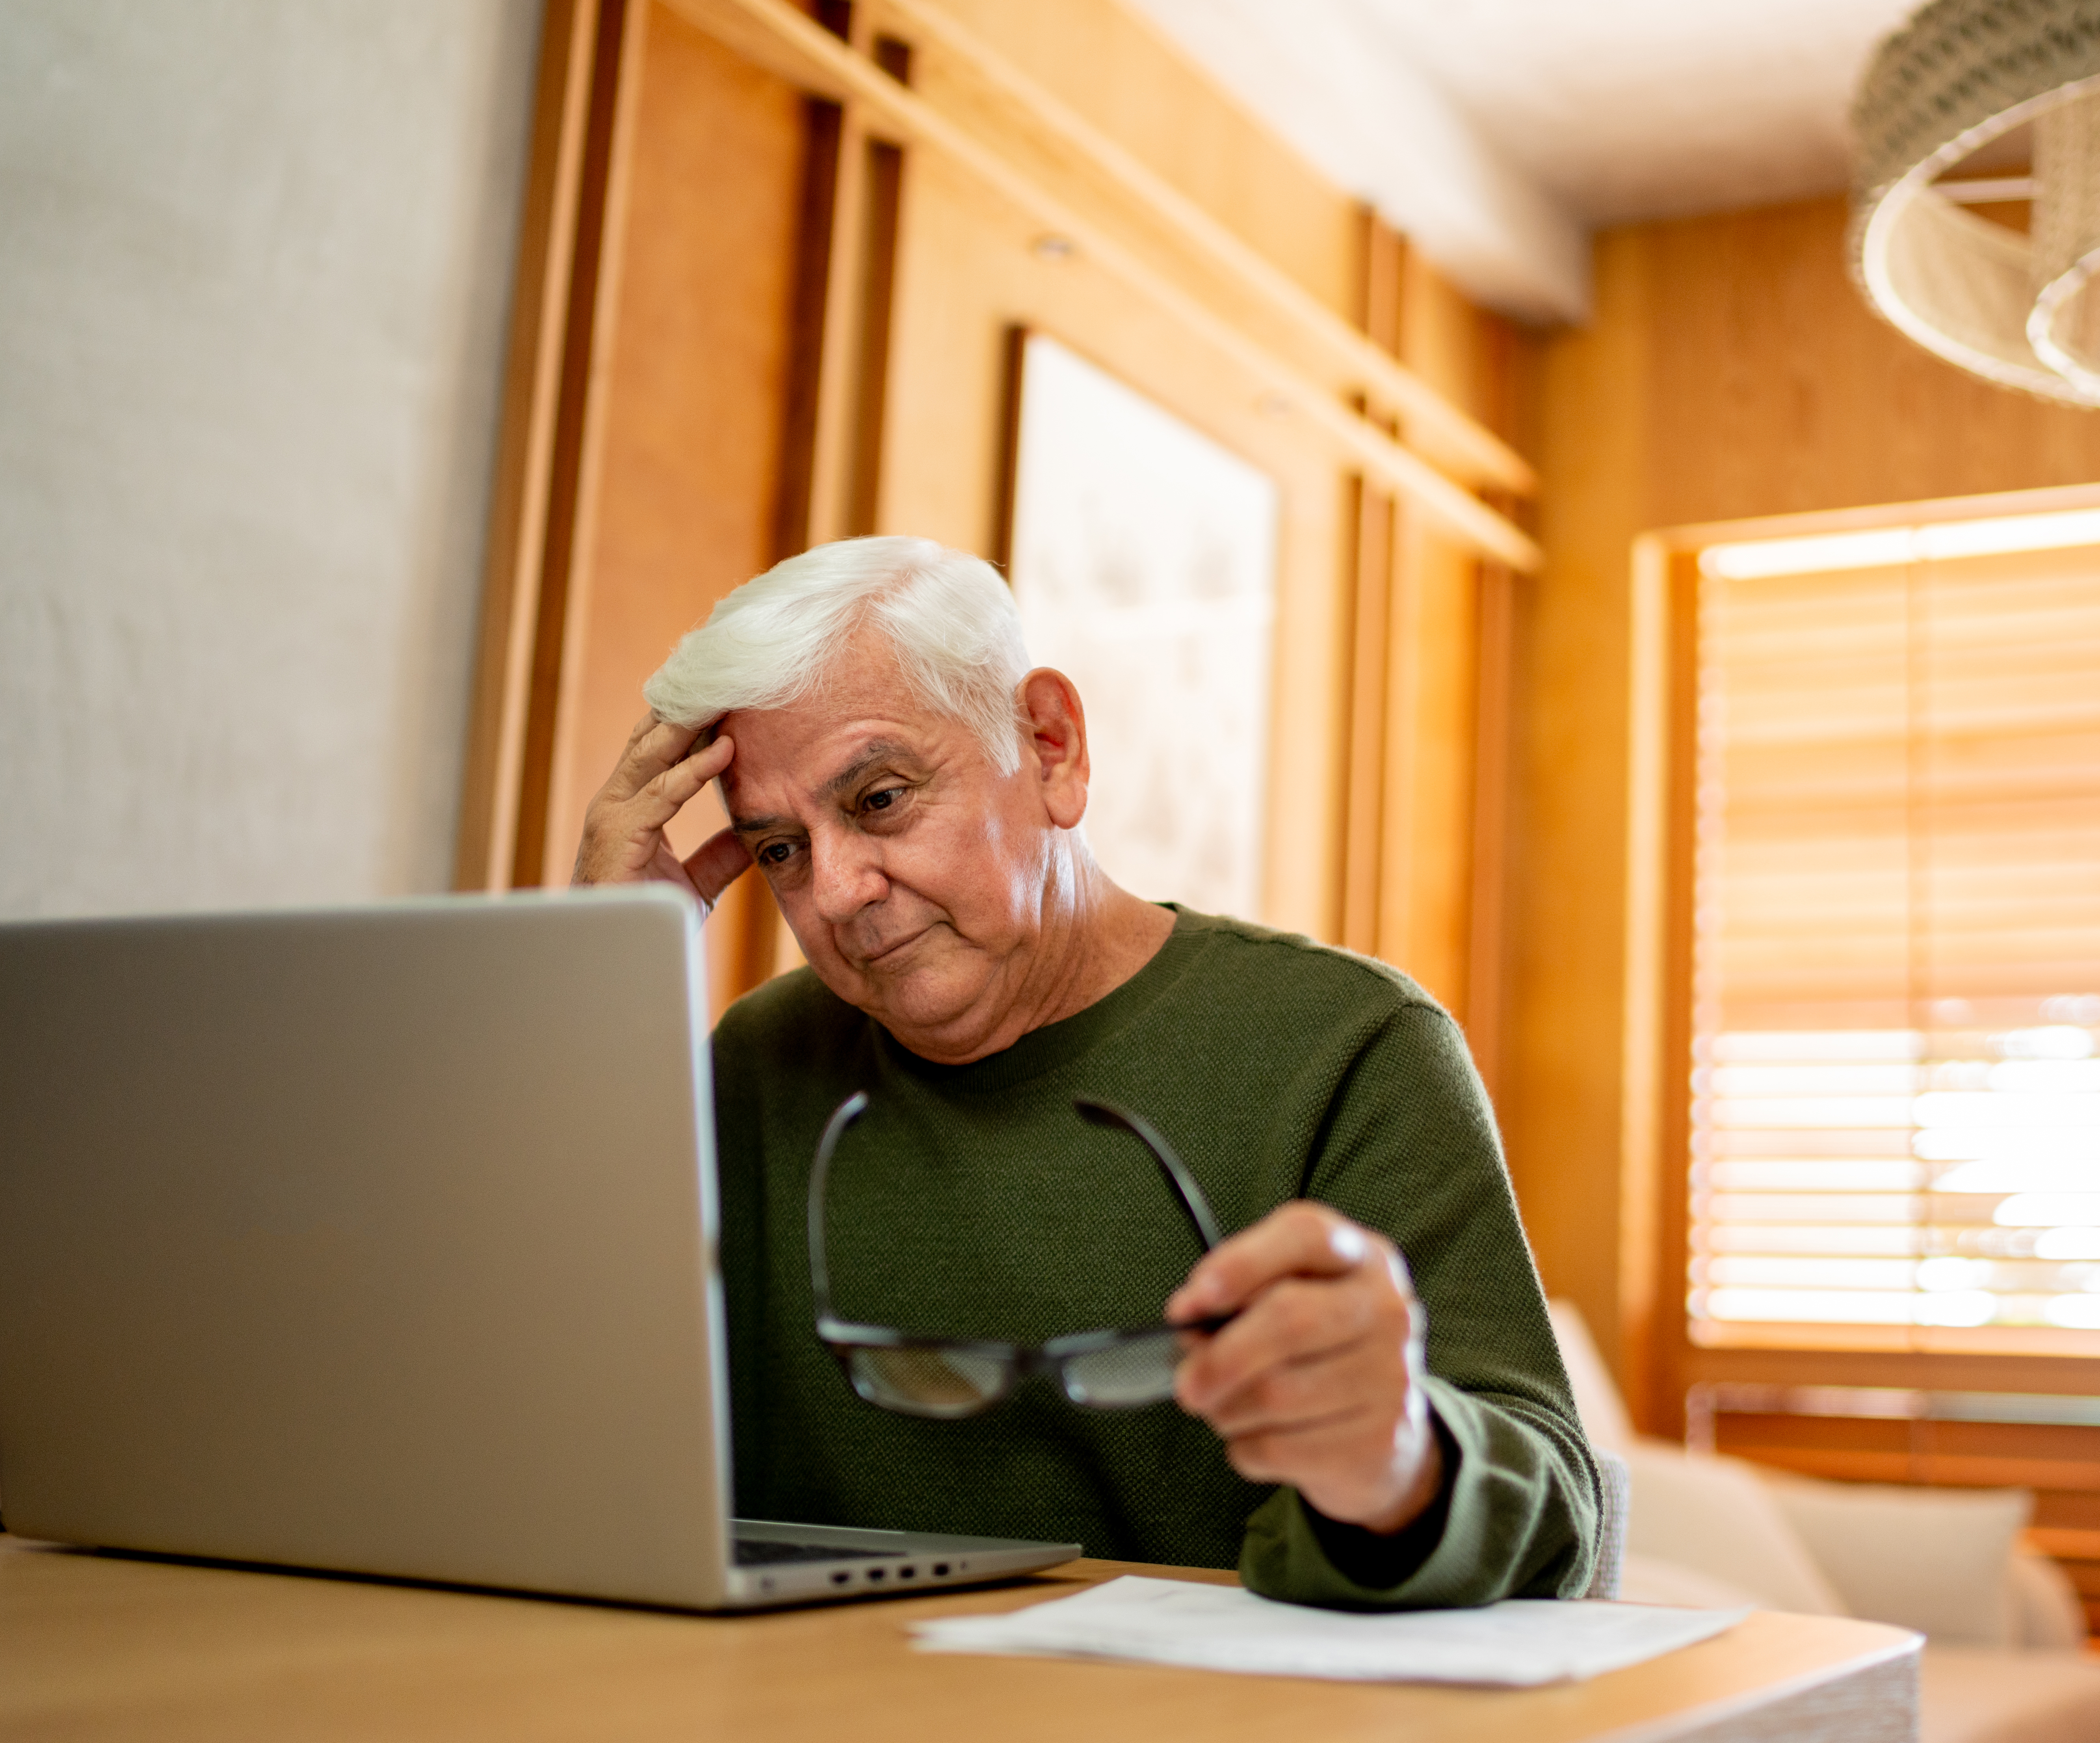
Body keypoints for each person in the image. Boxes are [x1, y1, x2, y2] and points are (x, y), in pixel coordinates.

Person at [573, 534, 1595, 1607]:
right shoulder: (753, 1060)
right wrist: (603, 991)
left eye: (878, 799)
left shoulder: (1349, 1043)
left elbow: (1557, 1506)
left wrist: (1399, 1464)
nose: (833, 893)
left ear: (1051, 750)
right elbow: (571, 1428)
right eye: (778, 849)